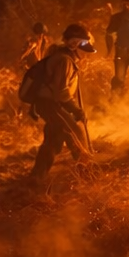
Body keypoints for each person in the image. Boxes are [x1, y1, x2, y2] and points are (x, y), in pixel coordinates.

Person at [29, 24, 97, 180]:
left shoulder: (64, 58)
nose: (86, 55)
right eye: (83, 49)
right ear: (74, 44)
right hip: (50, 104)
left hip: (49, 103)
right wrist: (76, 110)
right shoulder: (64, 61)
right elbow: (61, 92)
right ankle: (87, 175)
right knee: (76, 133)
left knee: (54, 140)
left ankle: (37, 176)